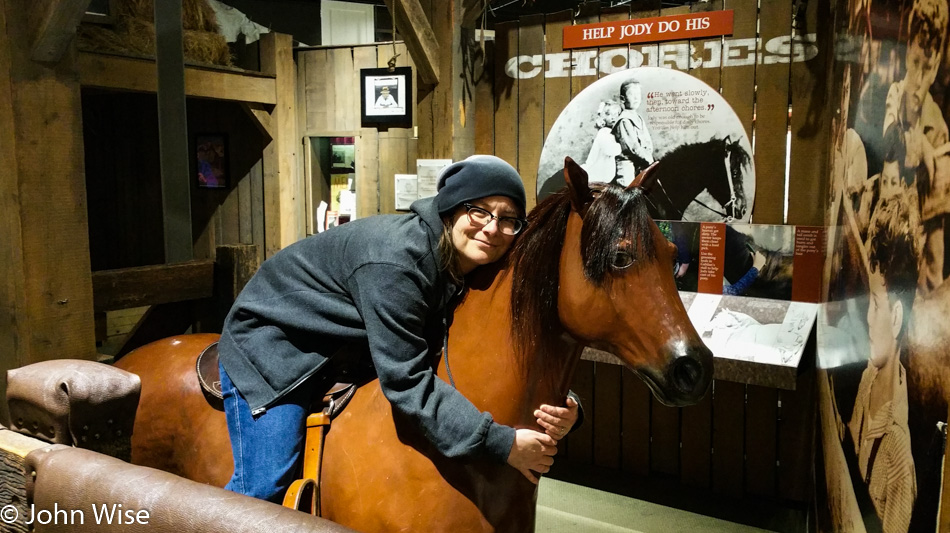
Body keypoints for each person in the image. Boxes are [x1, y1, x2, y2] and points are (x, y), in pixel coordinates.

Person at [217, 155, 580, 503]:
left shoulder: (474, 259)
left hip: (347, 342)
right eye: (479, 210)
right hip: (276, 339)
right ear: (451, 209)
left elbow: (495, 348)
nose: (492, 228)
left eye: (508, 219)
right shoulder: (397, 263)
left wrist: (566, 405)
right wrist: (504, 444)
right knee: (266, 483)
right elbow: (406, 381)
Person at [847, 196, 919, 533]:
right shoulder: (868, 378)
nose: (867, 315)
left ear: (895, 316)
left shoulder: (899, 462)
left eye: (875, 305)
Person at [880, 0, 949, 294]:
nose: (919, 80)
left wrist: (929, 149)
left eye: (928, 69)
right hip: (891, 239)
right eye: (916, 64)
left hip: (921, 247)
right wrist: (916, 144)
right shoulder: (895, 93)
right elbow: (889, 140)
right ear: (908, 52)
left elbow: (934, 248)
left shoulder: (938, 128)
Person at [613, 79, 655, 187]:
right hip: (628, 162)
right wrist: (647, 159)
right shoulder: (624, 120)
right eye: (632, 94)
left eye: (638, 94)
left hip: (641, 160)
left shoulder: (638, 117)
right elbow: (632, 147)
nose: (636, 98)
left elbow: (647, 140)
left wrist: (649, 156)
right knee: (629, 190)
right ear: (623, 99)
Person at [582, 99, 624, 183]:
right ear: (603, 116)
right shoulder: (603, 132)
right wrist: (621, 146)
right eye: (608, 114)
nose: (613, 117)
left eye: (616, 115)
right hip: (595, 174)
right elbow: (609, 150)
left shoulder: (610, 133)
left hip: (602, 174)